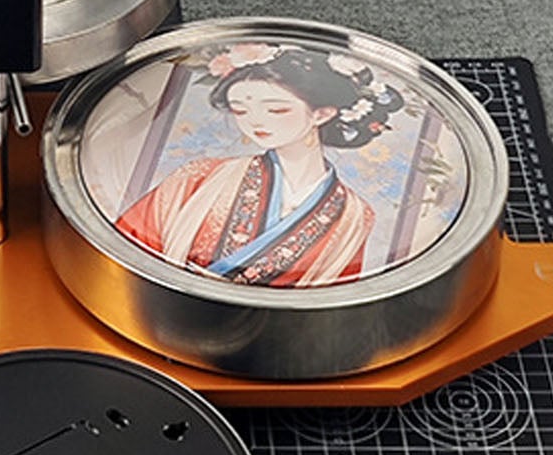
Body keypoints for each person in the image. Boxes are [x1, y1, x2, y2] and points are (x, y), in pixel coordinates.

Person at [114, 44, 403, 286]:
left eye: (276, 109)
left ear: (321, 113)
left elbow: (334, 297)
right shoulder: (202, 175)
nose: (255, 121)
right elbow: (127, 247)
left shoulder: (354, 214)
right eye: (240, 110)